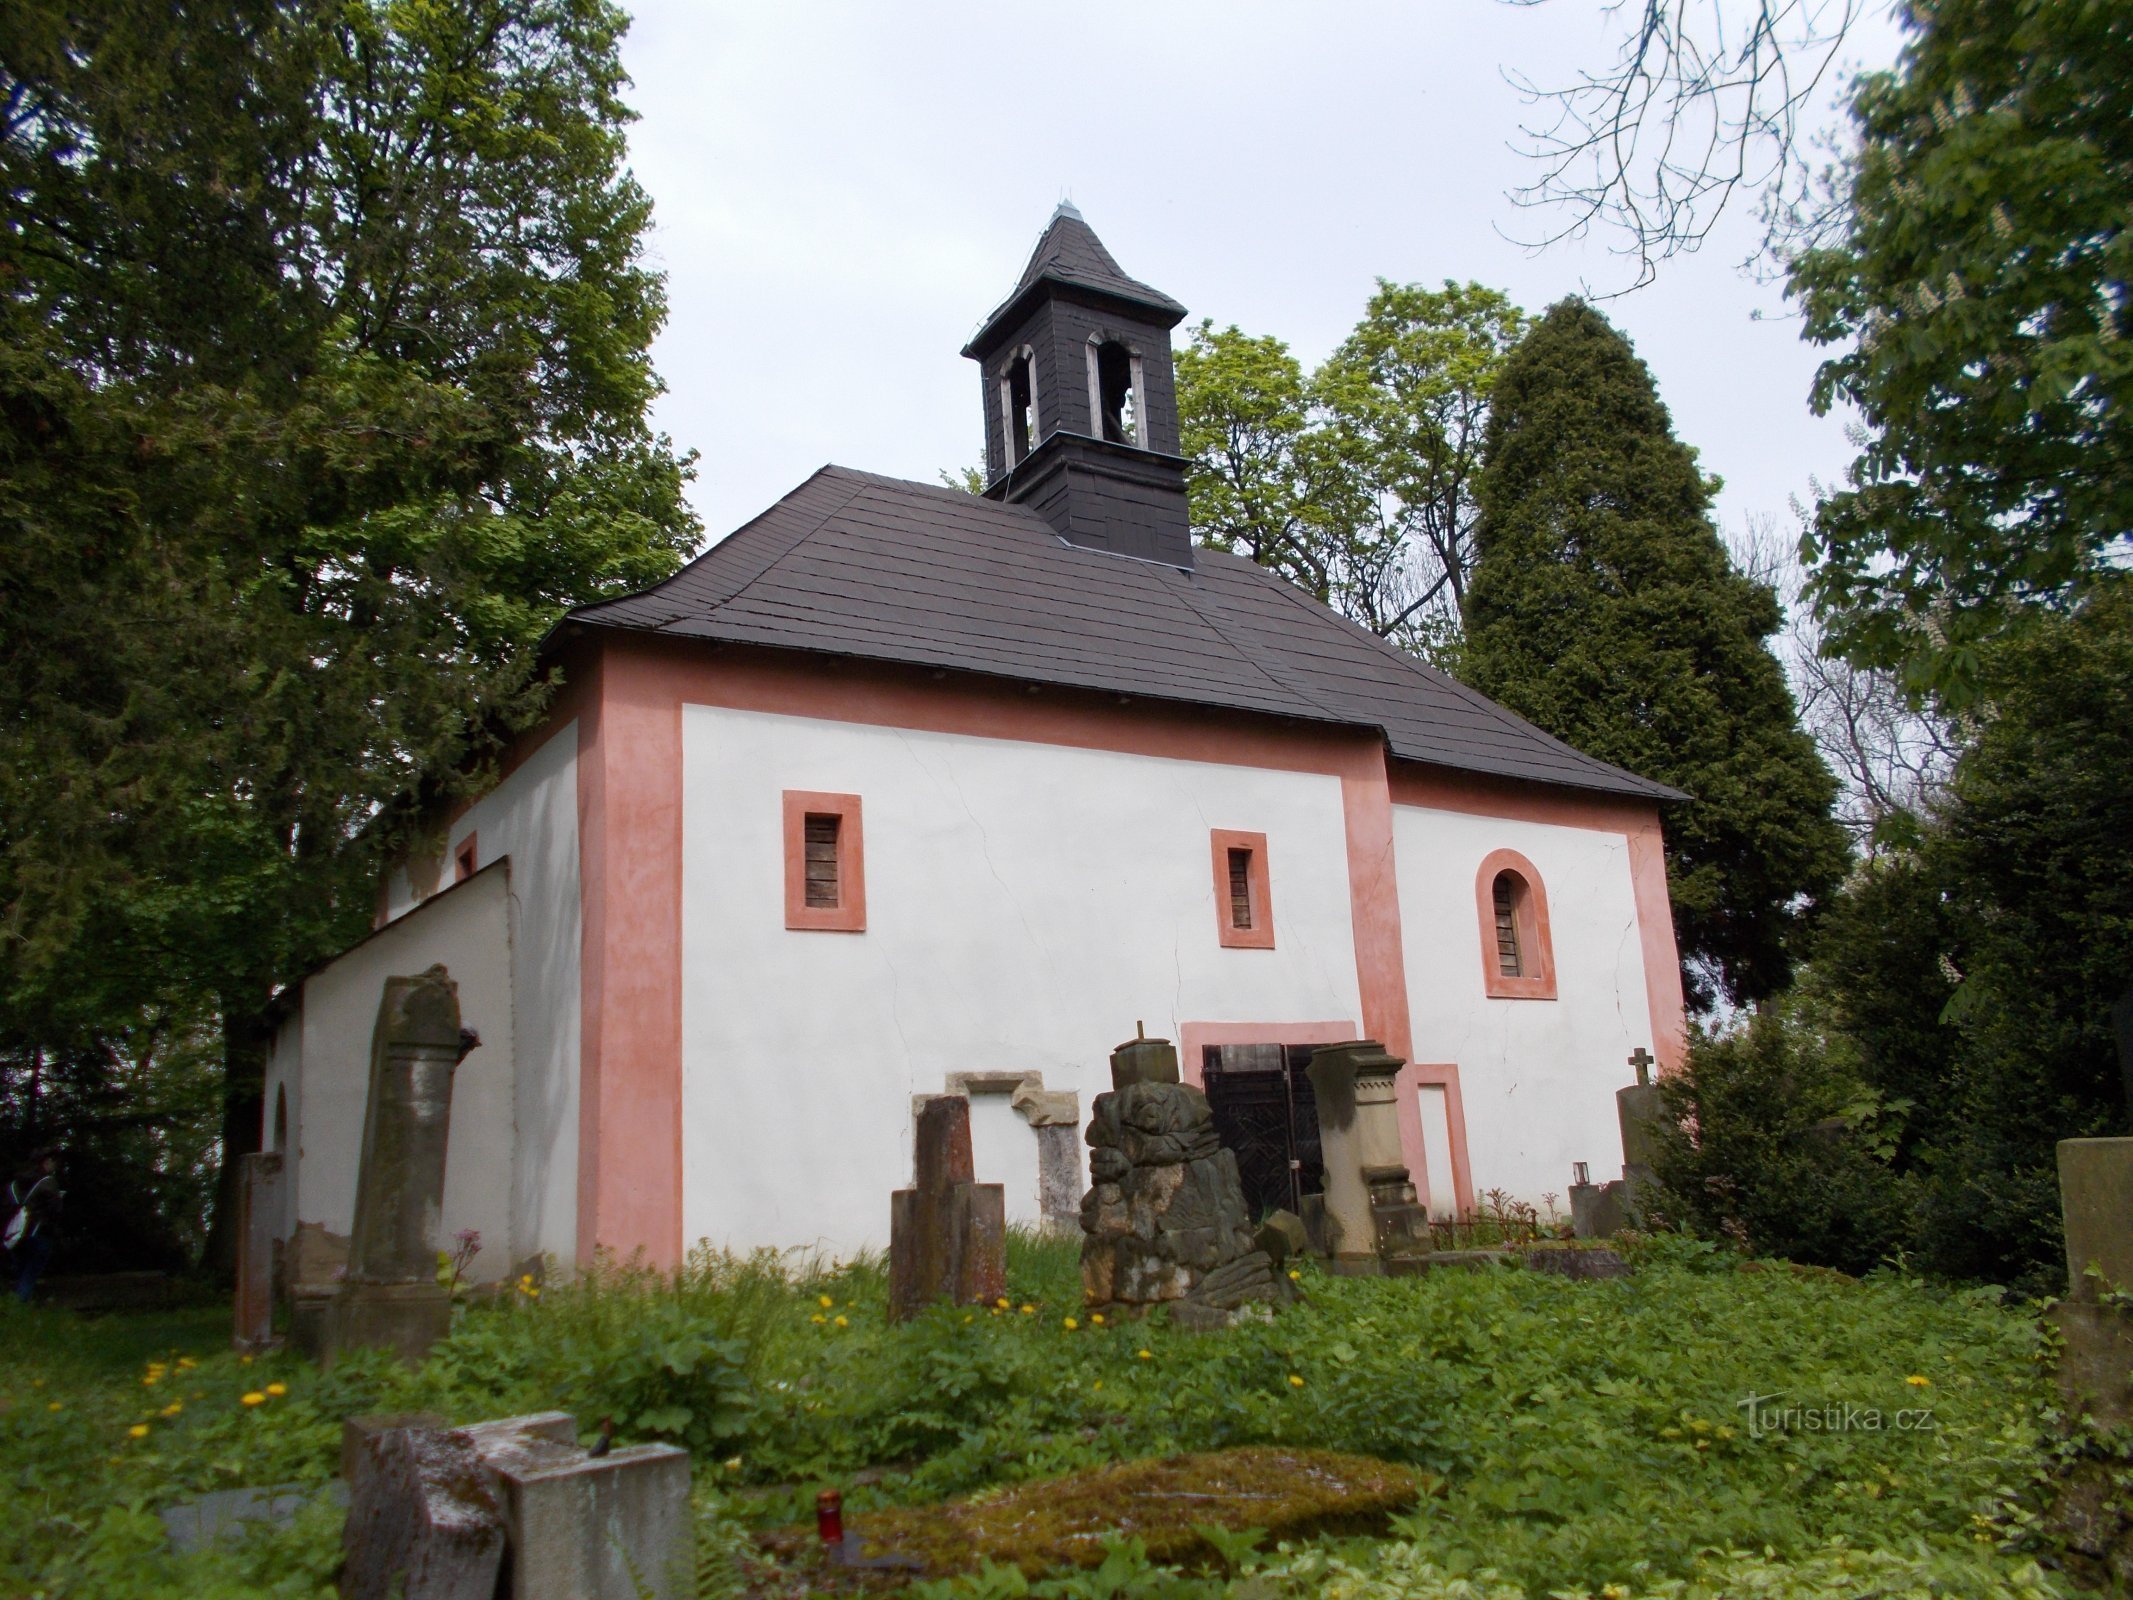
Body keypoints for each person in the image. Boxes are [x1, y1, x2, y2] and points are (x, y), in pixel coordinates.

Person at [6, 1148, 63, 1304]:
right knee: (29, 1275)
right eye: (53, 1162)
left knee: (21, 1272)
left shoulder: (16, 1184)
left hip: (16, 1234)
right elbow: (55, 1210)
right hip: (39, 1233)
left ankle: (14, 1304)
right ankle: (18, 1307)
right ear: (46, 1161)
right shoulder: (48, 1183)